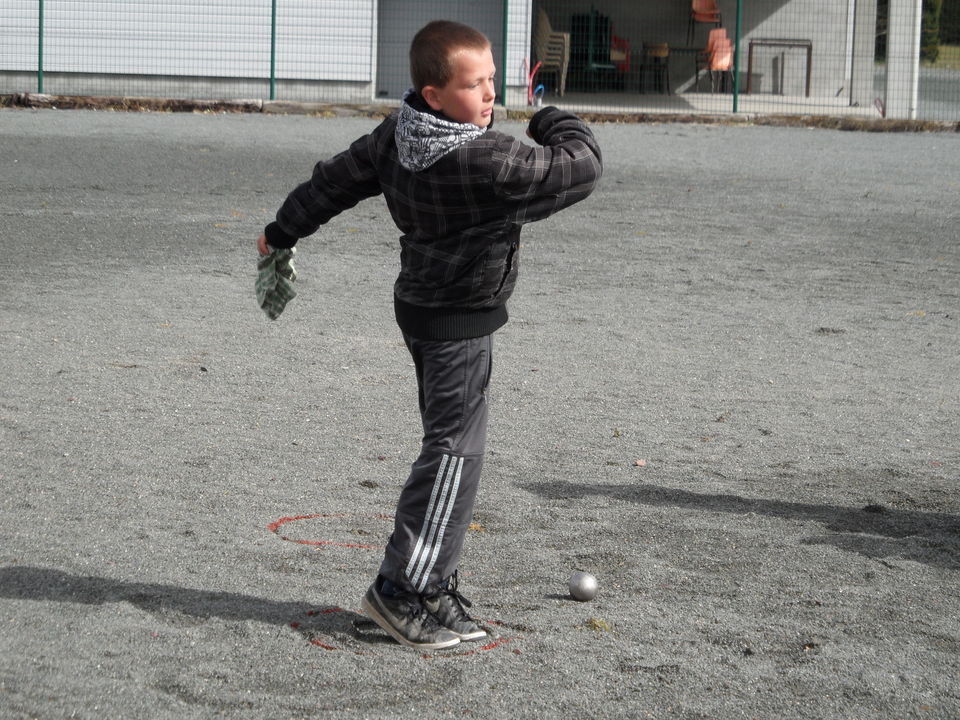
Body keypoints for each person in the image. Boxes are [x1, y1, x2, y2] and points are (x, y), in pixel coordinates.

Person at [257, 19, 602, 650]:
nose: (490, 96)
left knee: (450, 442)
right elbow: (577, 171)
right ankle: (403, 591)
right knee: (452, 453)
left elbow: (337, 179)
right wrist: (556, 121)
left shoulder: (400, 130)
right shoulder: (485, 158)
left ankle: (431, 584)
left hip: (422, 309)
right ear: (434, 93)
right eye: (474, 86)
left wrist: (283, 229)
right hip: (458, 322)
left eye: (493, 81)